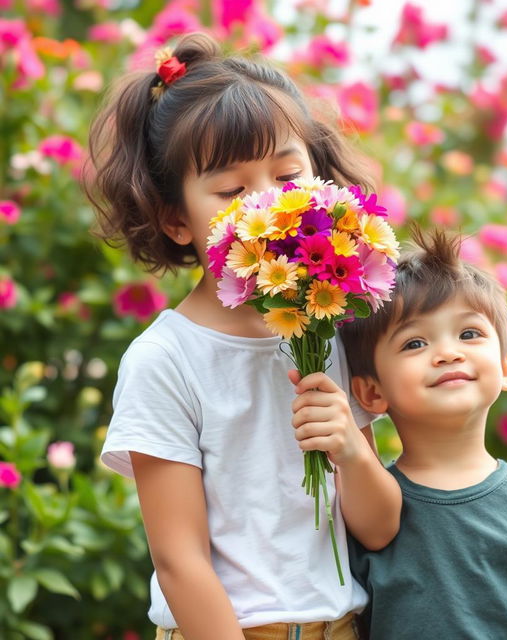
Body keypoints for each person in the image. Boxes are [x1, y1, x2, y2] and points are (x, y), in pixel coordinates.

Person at [85, 32, 401, 640]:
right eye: (232, 191)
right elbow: (180, 562)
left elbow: (380, 528)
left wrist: (353, 451)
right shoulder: (166, 359)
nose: (270, 204)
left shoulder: (334, 325)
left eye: (288, 174)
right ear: (176, 219)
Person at [340, 228, 507, 640]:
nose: (449, 352)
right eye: (415, 343)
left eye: (469, 334)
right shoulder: (368, 513)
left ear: (505, 367)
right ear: (372, 392)